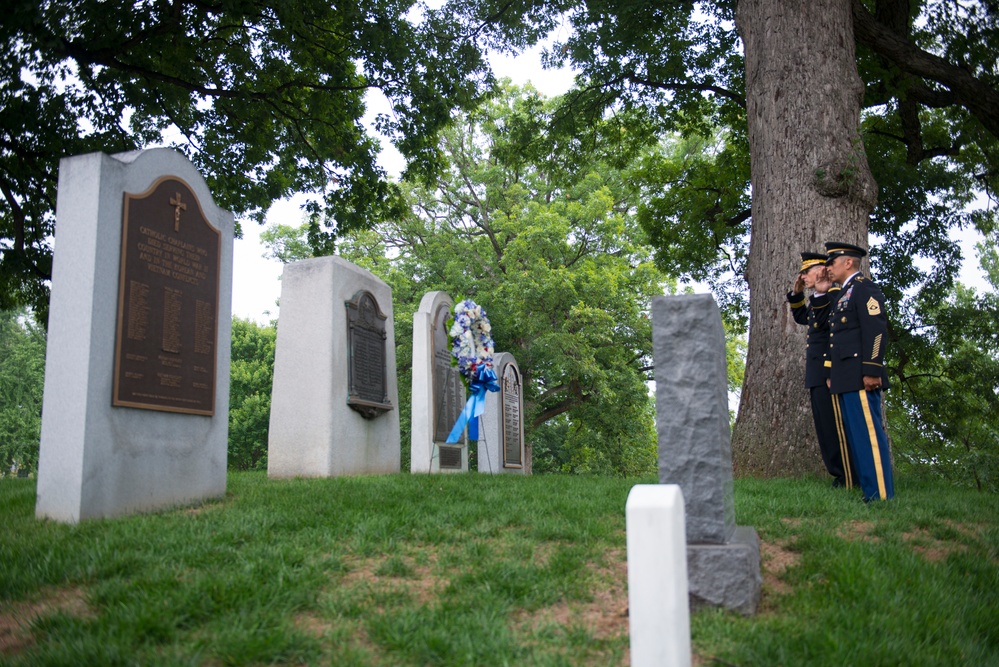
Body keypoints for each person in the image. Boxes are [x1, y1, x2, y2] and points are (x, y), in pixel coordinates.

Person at [824, 242, 895, 501]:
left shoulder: (864, 288)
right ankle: (870, 493)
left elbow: (876, 330)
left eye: (832, 262)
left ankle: (880, 497)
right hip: (846, 377)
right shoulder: (844, 293)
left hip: (861, 376)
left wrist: (872, 369)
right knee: (857, 438)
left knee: (869, 438)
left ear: (848, 262)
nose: (828, 267)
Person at [787, 251, 855, 488]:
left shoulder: (834, 295)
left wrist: (829, 371)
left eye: (806, 272)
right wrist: (797, 294)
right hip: (817, 373)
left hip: (829, 371)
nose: (803, 276)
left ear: (821, 270)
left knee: (836, 426)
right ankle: (840, 475)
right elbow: (803, 317)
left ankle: (847, 475)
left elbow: (830, 327)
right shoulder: (819, 296)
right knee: (826, 428)